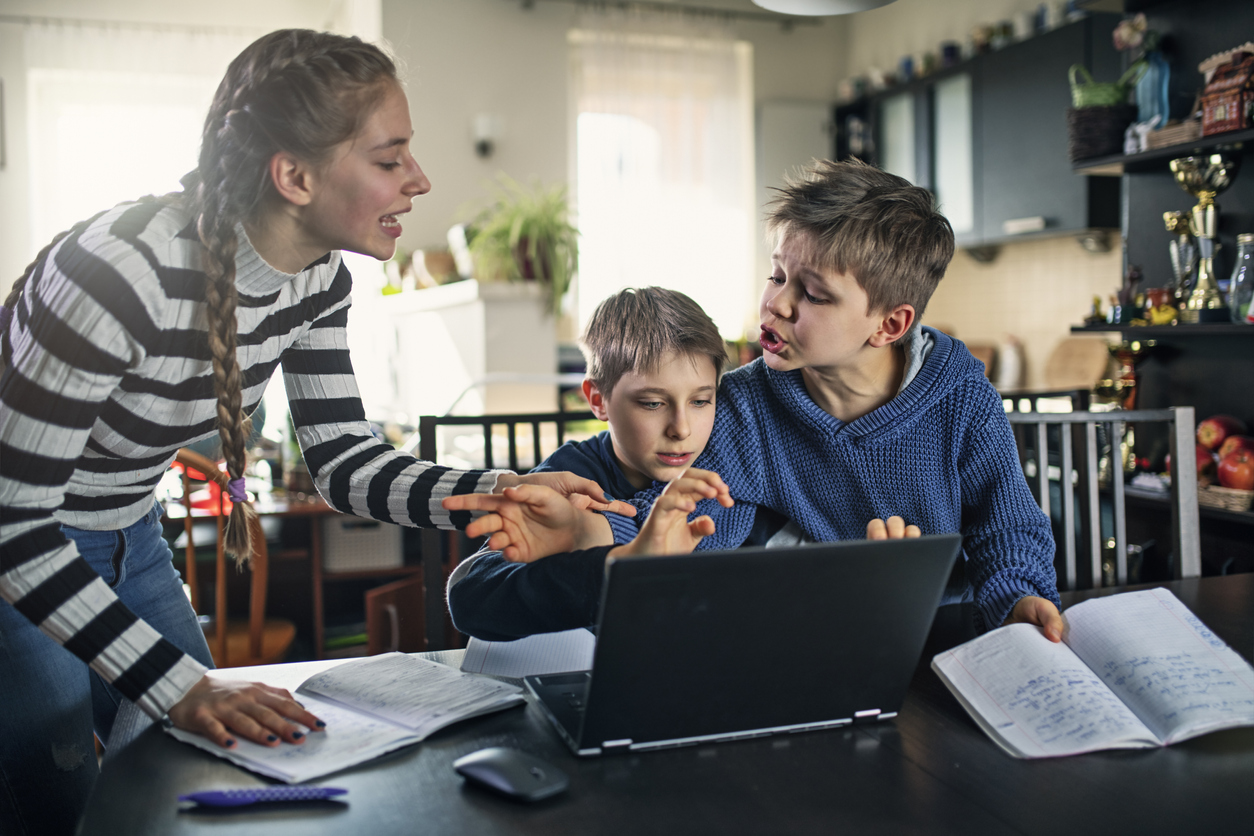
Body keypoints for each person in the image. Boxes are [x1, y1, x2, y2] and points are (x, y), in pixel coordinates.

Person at [0, 29, 626, 836]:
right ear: (293, 175)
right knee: (58, 795)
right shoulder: (120, 273)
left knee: (180, 772)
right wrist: (184, 686)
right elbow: (15, 524)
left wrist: (491, 491)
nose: (421, 180)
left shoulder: (318, 280)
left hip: (130, 532)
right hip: (24, 548)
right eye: (390, 157)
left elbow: (341, 460)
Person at [448, 159, 1062, 644]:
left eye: (814, 295)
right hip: (840, 641)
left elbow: (1005, 522)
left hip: (951, 638)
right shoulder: (744, 405)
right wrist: (590, 529)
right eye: (777, 276)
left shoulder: (959, 394)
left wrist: (1018, 601)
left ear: (890, 324)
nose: (778, 305)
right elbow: (694, 520)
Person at [444, 286, 916, 640]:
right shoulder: (572, 481)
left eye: (701, 401)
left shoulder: (732, 469)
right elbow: (473, 596)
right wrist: (619, 564)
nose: (682, 429)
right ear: (598, 399)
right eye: (652, 404)